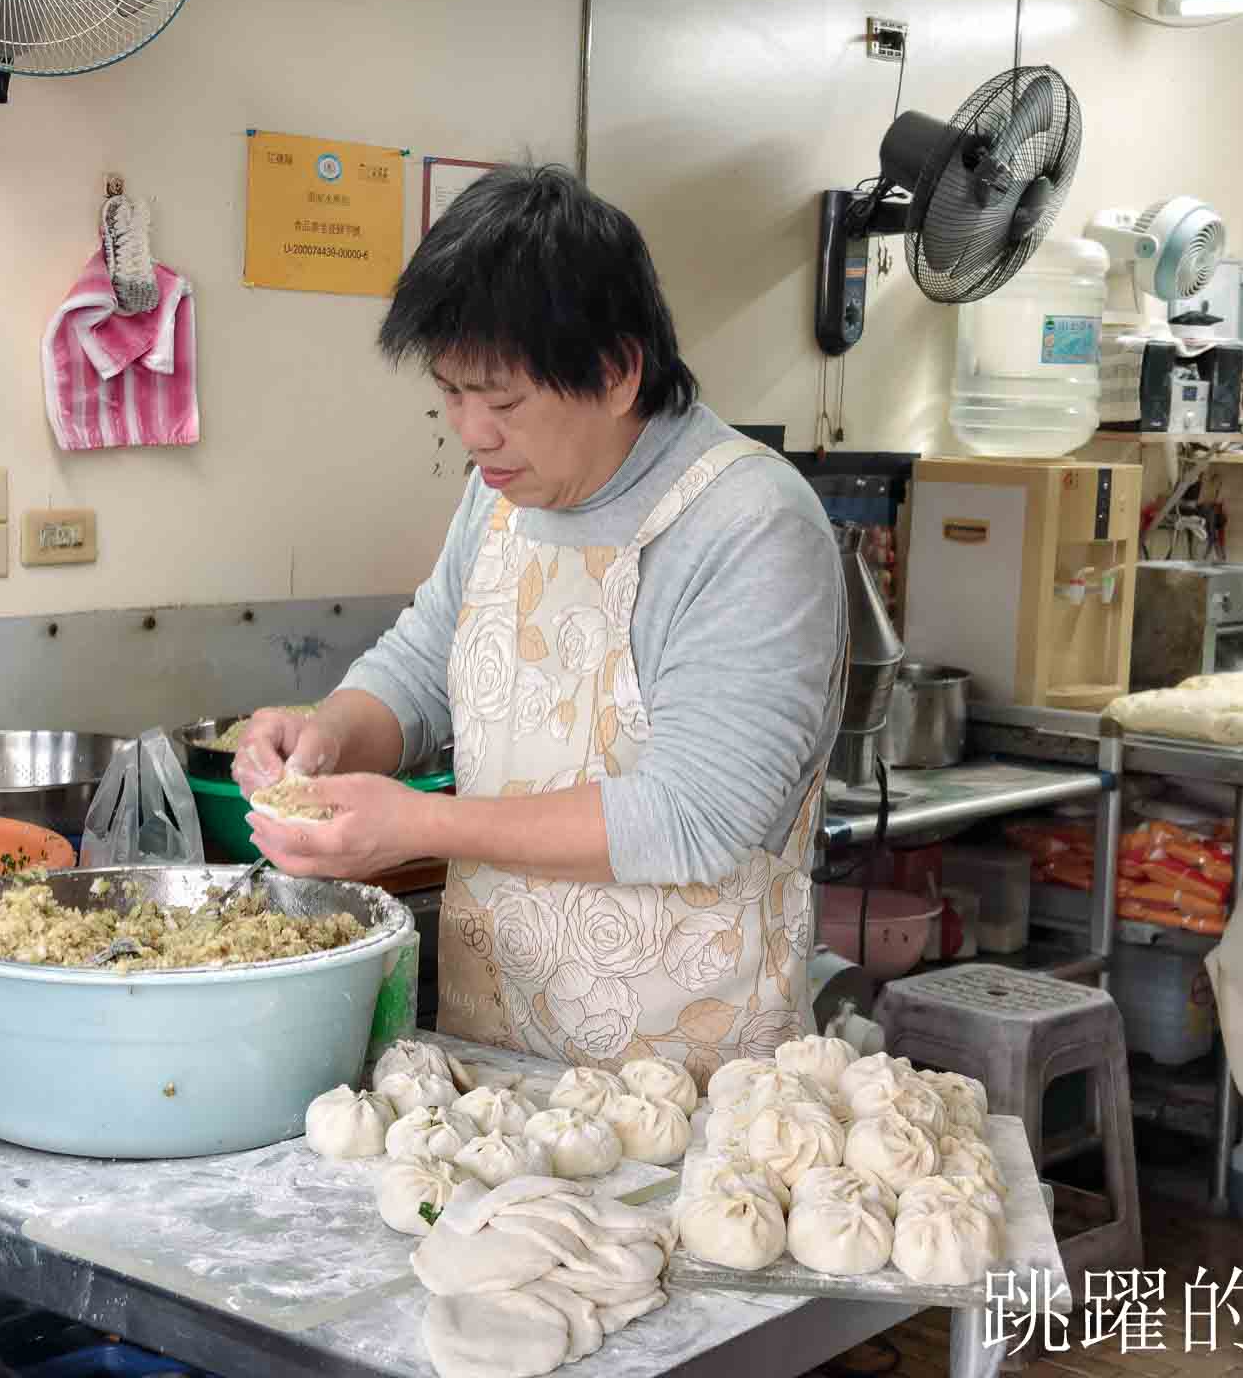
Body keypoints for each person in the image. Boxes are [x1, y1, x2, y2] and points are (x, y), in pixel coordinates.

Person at [235, 164, 845, 1081]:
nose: (472, 433)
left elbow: (697, 815)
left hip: (689, 1081)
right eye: (451, 393)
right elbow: (422, 669)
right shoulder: (503, 497)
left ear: (616, 371)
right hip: (497, 1060)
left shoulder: (749, 522)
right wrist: (329, 735)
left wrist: (420, 825)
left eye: (505, 401)